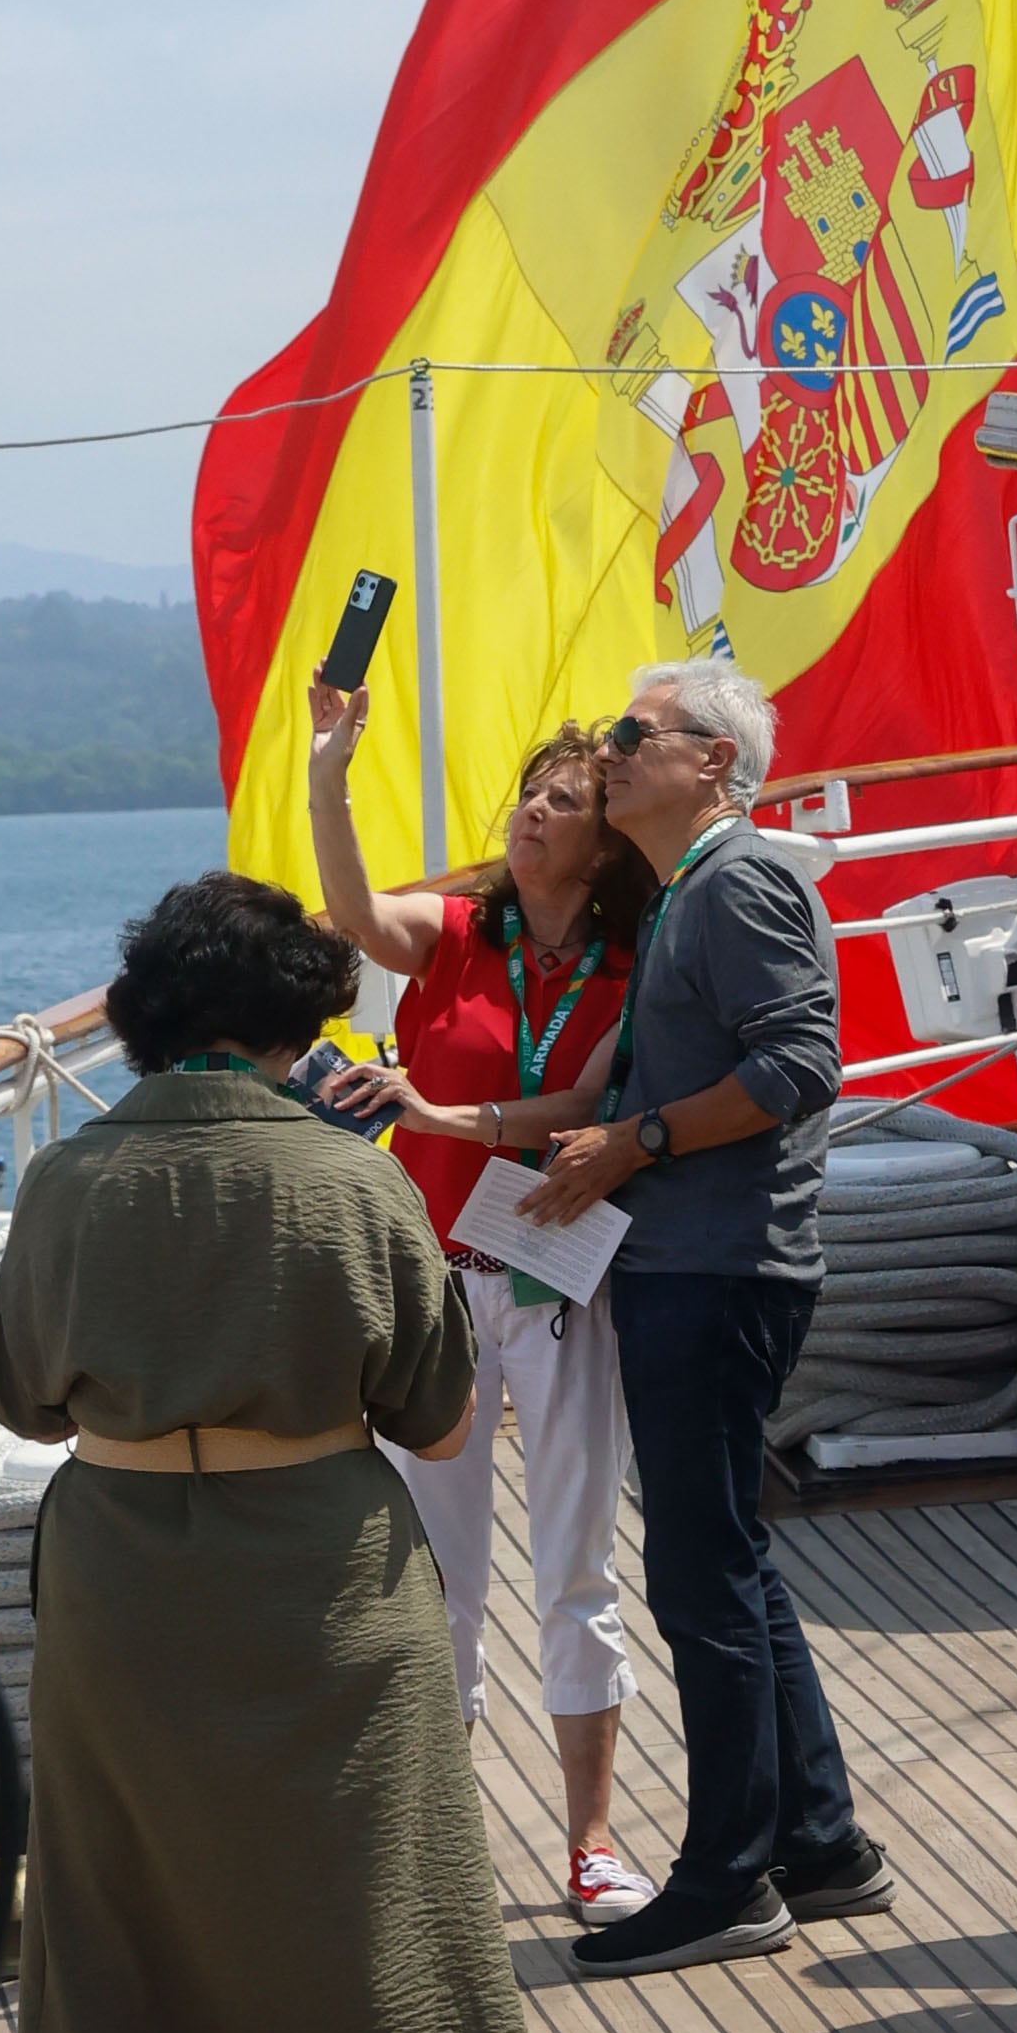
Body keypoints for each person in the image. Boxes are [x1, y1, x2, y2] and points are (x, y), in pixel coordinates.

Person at [0, 868, 542, 2033]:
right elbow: (434, 1412)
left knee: (108, 1931)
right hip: (323, 1581)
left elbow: (21, 1401)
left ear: (154, 1014)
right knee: (361, 1925)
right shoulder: (352, 1181)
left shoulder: (69, 1180)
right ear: (298, 1018)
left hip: (122, 1579)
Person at [528, 658, 892, 1980]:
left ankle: (725, 1878)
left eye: (636, 735)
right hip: (701, 1260)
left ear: (714, 765)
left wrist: (639, 1140)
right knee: (730, 1554)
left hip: (719, 1267)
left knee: (700, 1577)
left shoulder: (740, 881)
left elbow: (799, 1068)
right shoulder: (698, 887)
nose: (611, 751)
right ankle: (820, 1840)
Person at [307, 688, 653, 1923]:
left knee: (577, 1567)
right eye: (532, 794)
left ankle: (594, 1842)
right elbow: (352, 911)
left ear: (608, 843)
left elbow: (586, 1110)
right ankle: (441, 1838)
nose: (533, 817)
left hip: (563, 1283)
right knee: (437, 1568)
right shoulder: (456, 931)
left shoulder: (633, 962)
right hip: (439, 1287)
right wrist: (329, 773)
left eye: (563, 805)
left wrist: (439, 1115)